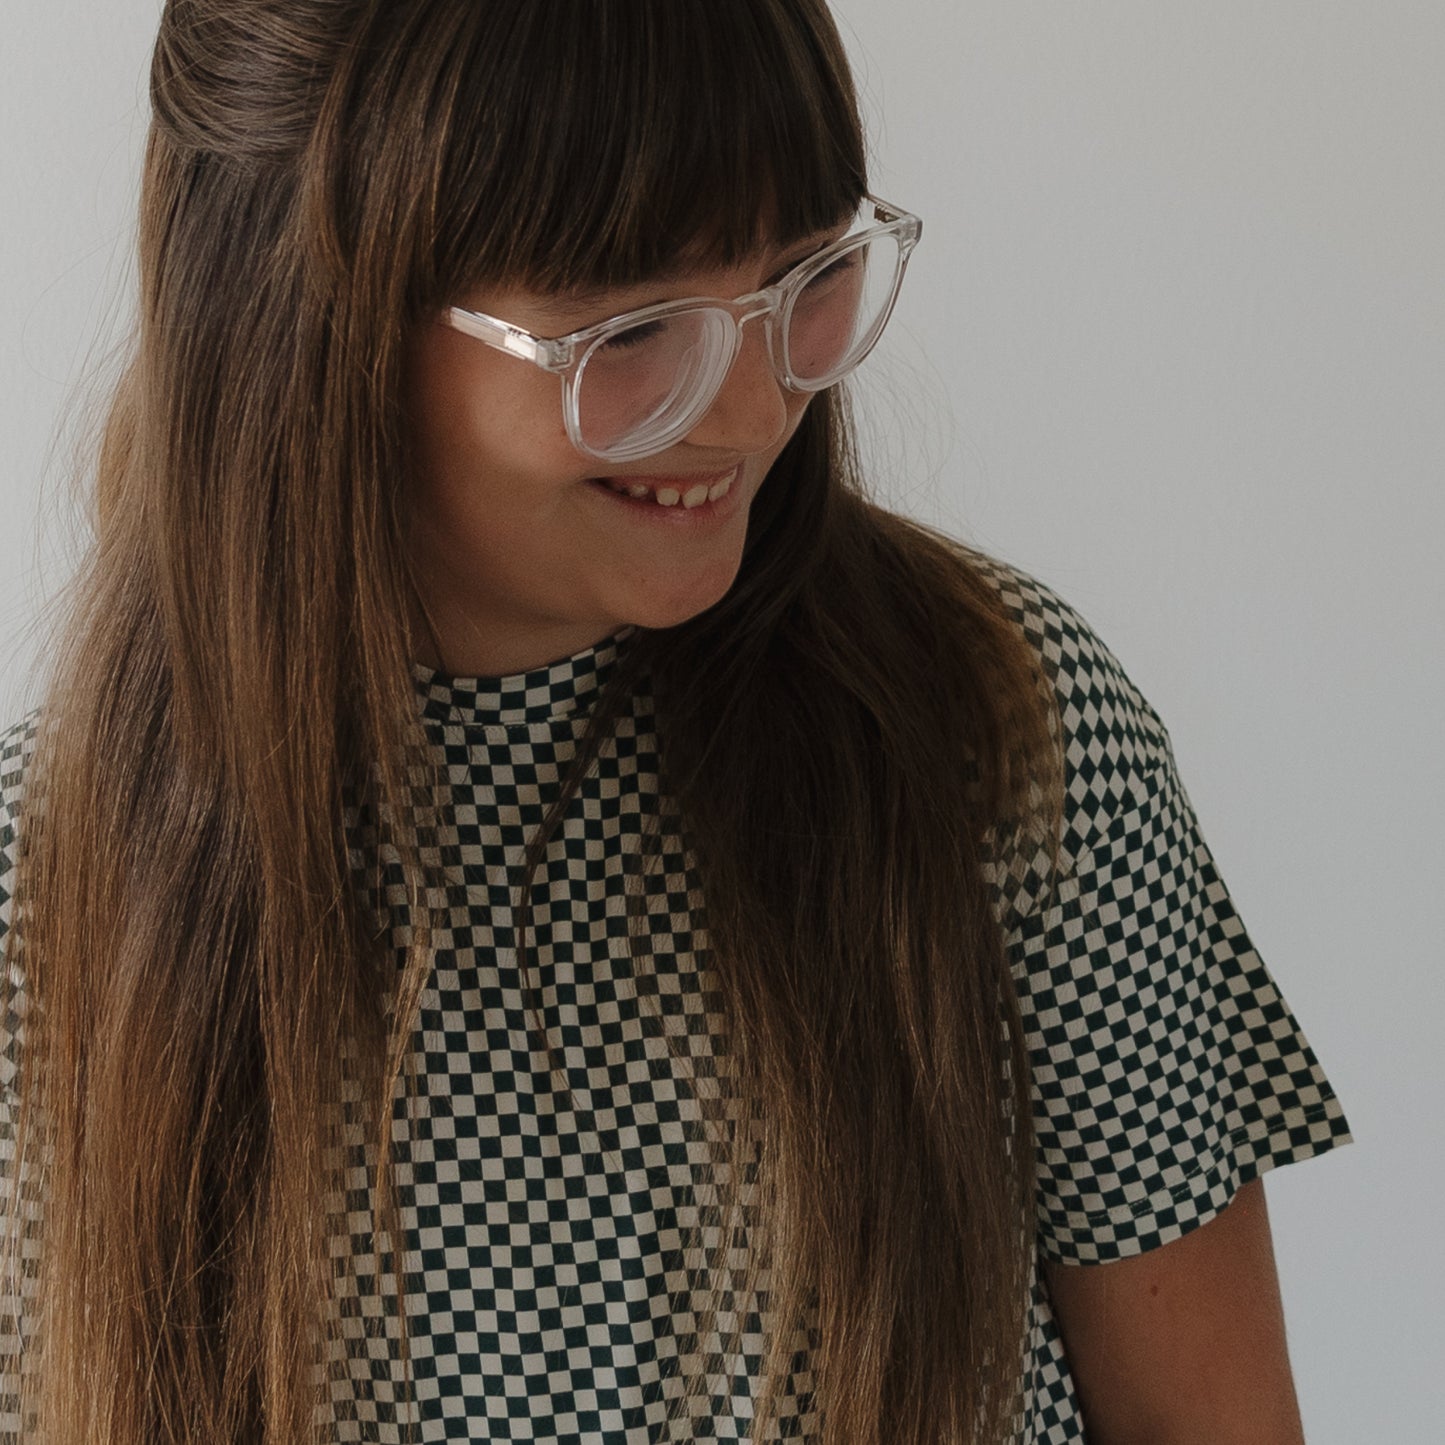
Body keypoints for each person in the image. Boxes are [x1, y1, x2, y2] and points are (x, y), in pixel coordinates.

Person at [0, 2, 1351, 1442]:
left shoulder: (997, 741)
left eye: (802, 277)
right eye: (637, 328)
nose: (753, 405)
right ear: (303, 323)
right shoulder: (51, 887)